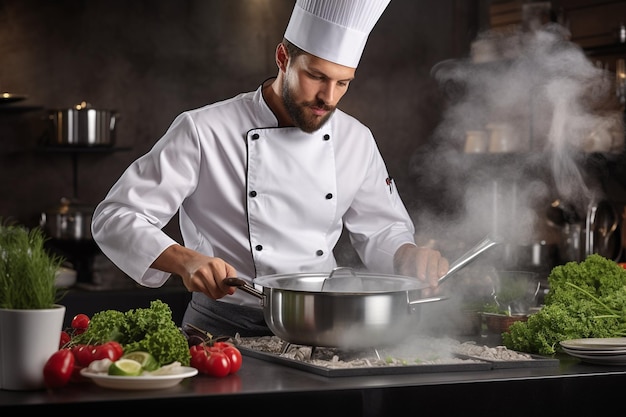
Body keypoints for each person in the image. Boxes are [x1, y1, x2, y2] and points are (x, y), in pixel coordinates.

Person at [91, 0, 449, 338]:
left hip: (320, 325)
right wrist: (185, 260)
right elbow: (116, 217)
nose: (329, 97)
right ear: (283, 58)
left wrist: (407, 255)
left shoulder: (356, 138)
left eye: (343, 83)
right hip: (220, 325)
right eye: (316, 76)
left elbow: (382, 226)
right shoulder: (203, 130)